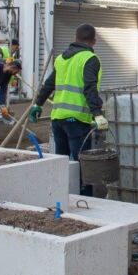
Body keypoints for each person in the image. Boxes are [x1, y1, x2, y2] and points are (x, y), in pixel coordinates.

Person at [31, 24, 108, 193]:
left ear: (75, 38)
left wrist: (38, 104)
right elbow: (89, 88)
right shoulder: (90, 59)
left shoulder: (61, 58)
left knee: (62, 162)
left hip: (58, 118)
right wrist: (97, 114)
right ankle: (85, 199)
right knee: (84, 164)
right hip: (77, 120)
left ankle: (60, 195)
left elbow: (49, 84)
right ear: (94, 41)